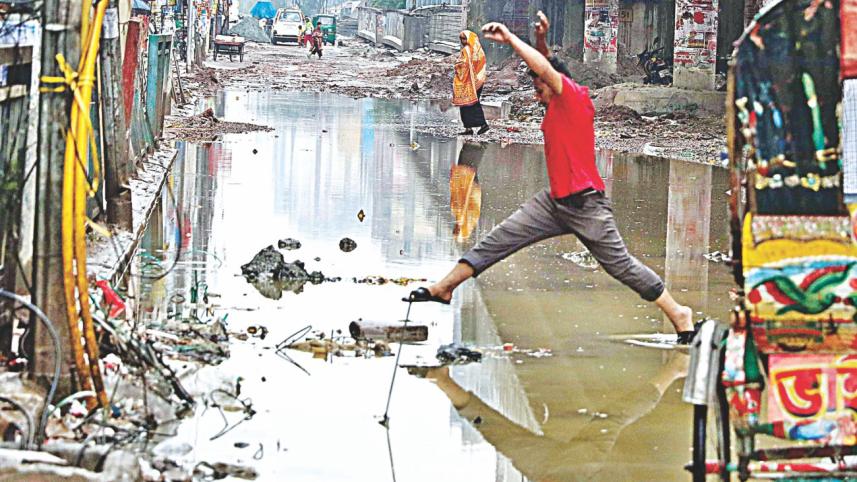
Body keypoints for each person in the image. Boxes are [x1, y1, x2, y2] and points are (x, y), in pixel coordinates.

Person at [405, 13, 696, 343]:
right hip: (554, 201)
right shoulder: (557, 103)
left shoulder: (572, 97)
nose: (535, 94)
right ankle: (445, 287)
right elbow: (546, 67)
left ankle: (678, 313)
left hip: (586, 203)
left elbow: (547, 71)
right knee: (499, 239)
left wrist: (513, 40)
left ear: (555, 83)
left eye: (538, 87)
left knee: (621, 266)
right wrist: (541, 39)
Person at [410, 352, 688, 480]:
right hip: (561, 472)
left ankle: (442, 380)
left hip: (550, 471)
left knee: (495, 429)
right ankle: (675, 368)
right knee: (496, 430)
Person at [453, 31, 490, 136]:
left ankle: (479, 125)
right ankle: (472, 127)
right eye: (461, 39)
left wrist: (456, 65)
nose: (462, 42)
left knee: (466, 104)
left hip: (468, 81)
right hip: (479, 79)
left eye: (464, 39)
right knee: (473, 102)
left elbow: (463, 65)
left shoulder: (466, 50)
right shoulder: (479, 50)